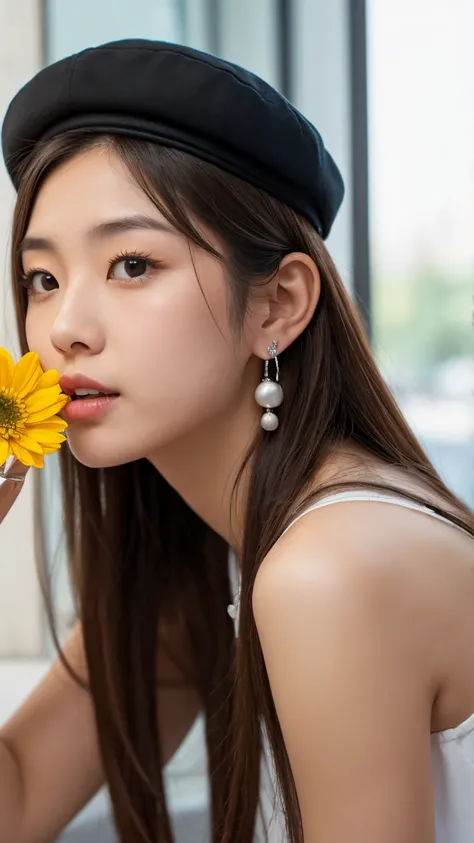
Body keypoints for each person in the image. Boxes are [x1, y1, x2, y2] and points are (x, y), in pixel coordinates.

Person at [0, 38, 473, 843]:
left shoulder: (329, 568)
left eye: (132, 264)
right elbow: (17, 801)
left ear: (280, 303)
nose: (65, 330)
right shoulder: (208, 557)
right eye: (44, 279)